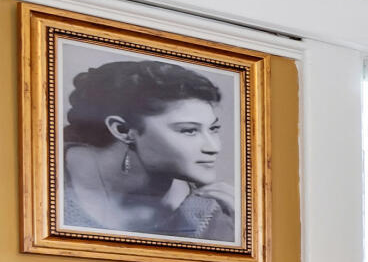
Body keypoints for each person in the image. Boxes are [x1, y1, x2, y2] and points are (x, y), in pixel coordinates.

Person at [60, 56, 237, 242]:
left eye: (213, 129)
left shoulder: (219, 212)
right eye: (189, 130)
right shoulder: (44, 176)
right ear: (124, 130)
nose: (214, 147)